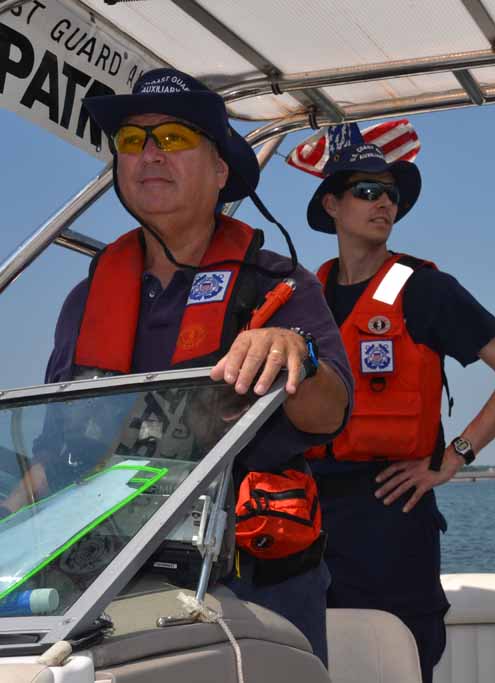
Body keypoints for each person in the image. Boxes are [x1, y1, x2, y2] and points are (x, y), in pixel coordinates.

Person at [12, 68, 353, 667]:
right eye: (132, 141)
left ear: (221, 170)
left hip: (249, 591)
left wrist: (294, 347)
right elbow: (51, 459)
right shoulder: (85, 300)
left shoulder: (280, 287)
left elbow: (332, 413)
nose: (148, 155)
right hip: (105, 591)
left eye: (171, 139)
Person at [303, 129, 495, 682]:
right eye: (366, 190)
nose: (384, 202)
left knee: (402, 656)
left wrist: (454, 456)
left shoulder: (426, 290)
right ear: (332, 204)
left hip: (393, 512)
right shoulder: (305, 296)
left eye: (391, 193)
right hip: (312, 517)